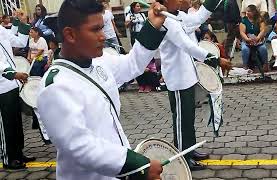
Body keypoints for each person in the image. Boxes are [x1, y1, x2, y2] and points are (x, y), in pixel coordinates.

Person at [36, 0, 167, 179]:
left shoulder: (100, 61)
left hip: (117, 171)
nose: (103, 36)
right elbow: (80, 146)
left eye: (102, 27)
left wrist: (151, 26)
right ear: (70, 35)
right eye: (95, 29)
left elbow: (133, 64)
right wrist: (139, 166)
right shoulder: (55, 86)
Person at [156, 0, 232, 171]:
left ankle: (190, 150)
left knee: (188, 118)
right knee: (182, 120)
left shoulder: (178, 16)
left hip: (188, 75)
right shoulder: (166, 21)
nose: (182, 0)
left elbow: (198, 18)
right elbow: (187, 45)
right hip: (177, 79)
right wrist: (216, 60)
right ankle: (183, 157)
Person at [0, 9, 36, 170]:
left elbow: (20, 42)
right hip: (2, 85)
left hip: (12, 84)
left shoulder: (1, 30)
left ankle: (18, 153)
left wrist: (20, 22)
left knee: (16, 123)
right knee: (6, 124)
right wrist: (13, 73)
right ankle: (9, 158)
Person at [240, 5, 268, 71]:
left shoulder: (260, 19)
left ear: (254, 12)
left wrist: (258, 37)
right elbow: (242, 32)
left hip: (258, 40)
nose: (247, 12)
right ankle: (245, 65)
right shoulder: (244, 20)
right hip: (247, 40)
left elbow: (262, 30)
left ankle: (265, 64)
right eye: (246, 11)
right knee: (245, 49)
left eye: (249, 11)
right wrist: (247, 39)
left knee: (263, 49)